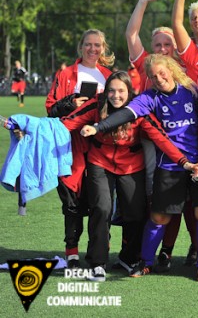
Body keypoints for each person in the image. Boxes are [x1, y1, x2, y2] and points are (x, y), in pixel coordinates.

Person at [80, 54, 198, 282]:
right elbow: (126, 113)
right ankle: (146, 261)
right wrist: (99, 127)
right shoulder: (149, 98)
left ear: (171, 70)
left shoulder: (191, 90)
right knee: (160, 216)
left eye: (162, 73)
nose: (159, 78)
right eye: (153, 76)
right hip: (170, 164)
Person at [126, 0, 198, 271]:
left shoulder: (183, 69)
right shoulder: (148, 64)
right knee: (156, 200)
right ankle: (149, 252)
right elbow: (131, 35)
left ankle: (179, 249)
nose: (162, 49)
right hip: (151, 142)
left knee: (191, 200)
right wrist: (143, 0)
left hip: (184, 144)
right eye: (157, 44)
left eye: (167, 44)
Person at [46, 29, 113, 268]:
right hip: (69, 145)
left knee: (100, 198)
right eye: (88, 44)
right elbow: (50, 109)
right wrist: (70, 103)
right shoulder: (65, 74)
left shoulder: (109, 75)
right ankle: (72, 252)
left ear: (103, 48)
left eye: (97, 45)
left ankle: (100, 249)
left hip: (100, 145)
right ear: (80, 47)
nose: (92, 49)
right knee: (71, 200)